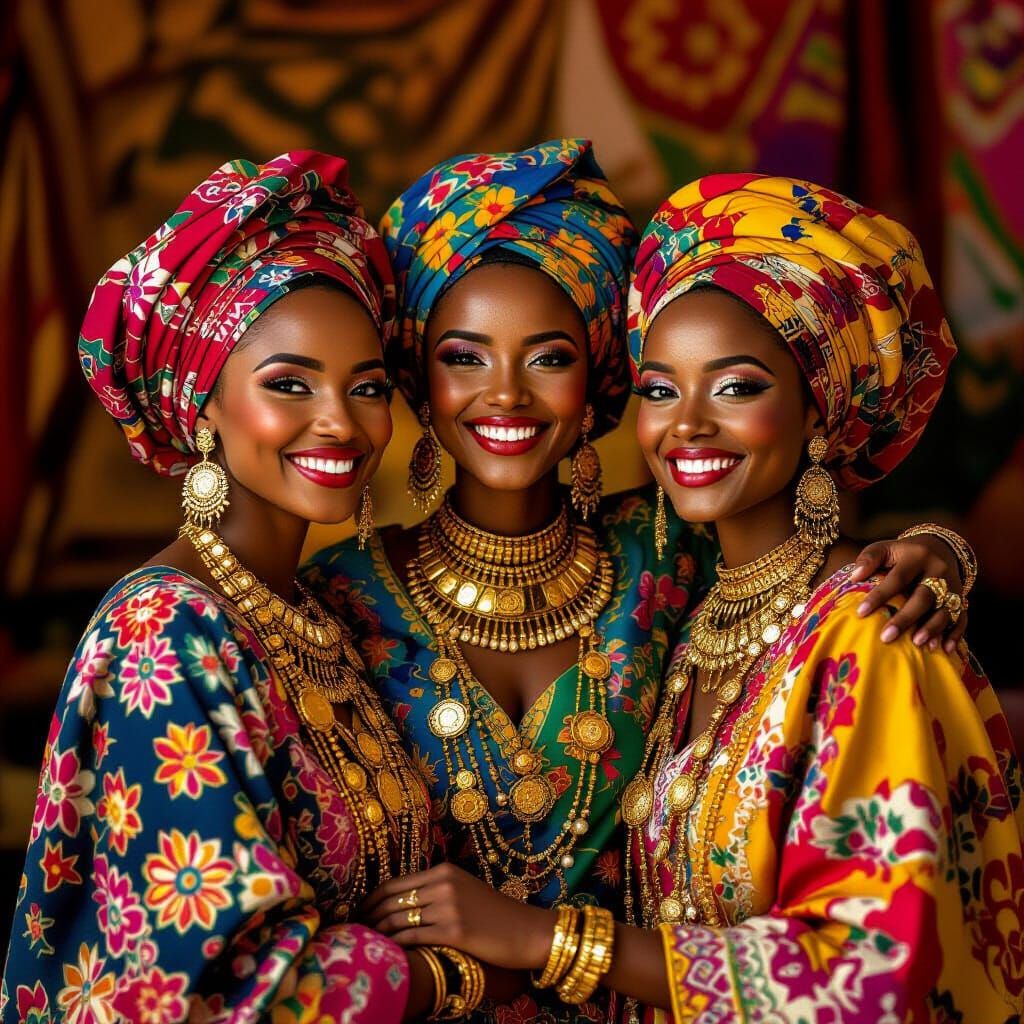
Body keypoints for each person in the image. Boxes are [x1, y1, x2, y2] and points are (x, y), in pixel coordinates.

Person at [306, 144, 975, 1021]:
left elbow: (801, 571)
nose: (504, 395)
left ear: (597, 381)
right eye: (465, 358)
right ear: (415, 379)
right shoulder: (335, 599)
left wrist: (939, 551)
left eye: (547, 358)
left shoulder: (662, 553)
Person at [0, 152, 473, 1022]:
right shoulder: (164, 632)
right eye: (289, 383)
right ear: (201, 401)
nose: (340, 420)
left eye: (365, 387)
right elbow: (212, 975)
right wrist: (463, 975)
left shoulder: (321, 613)